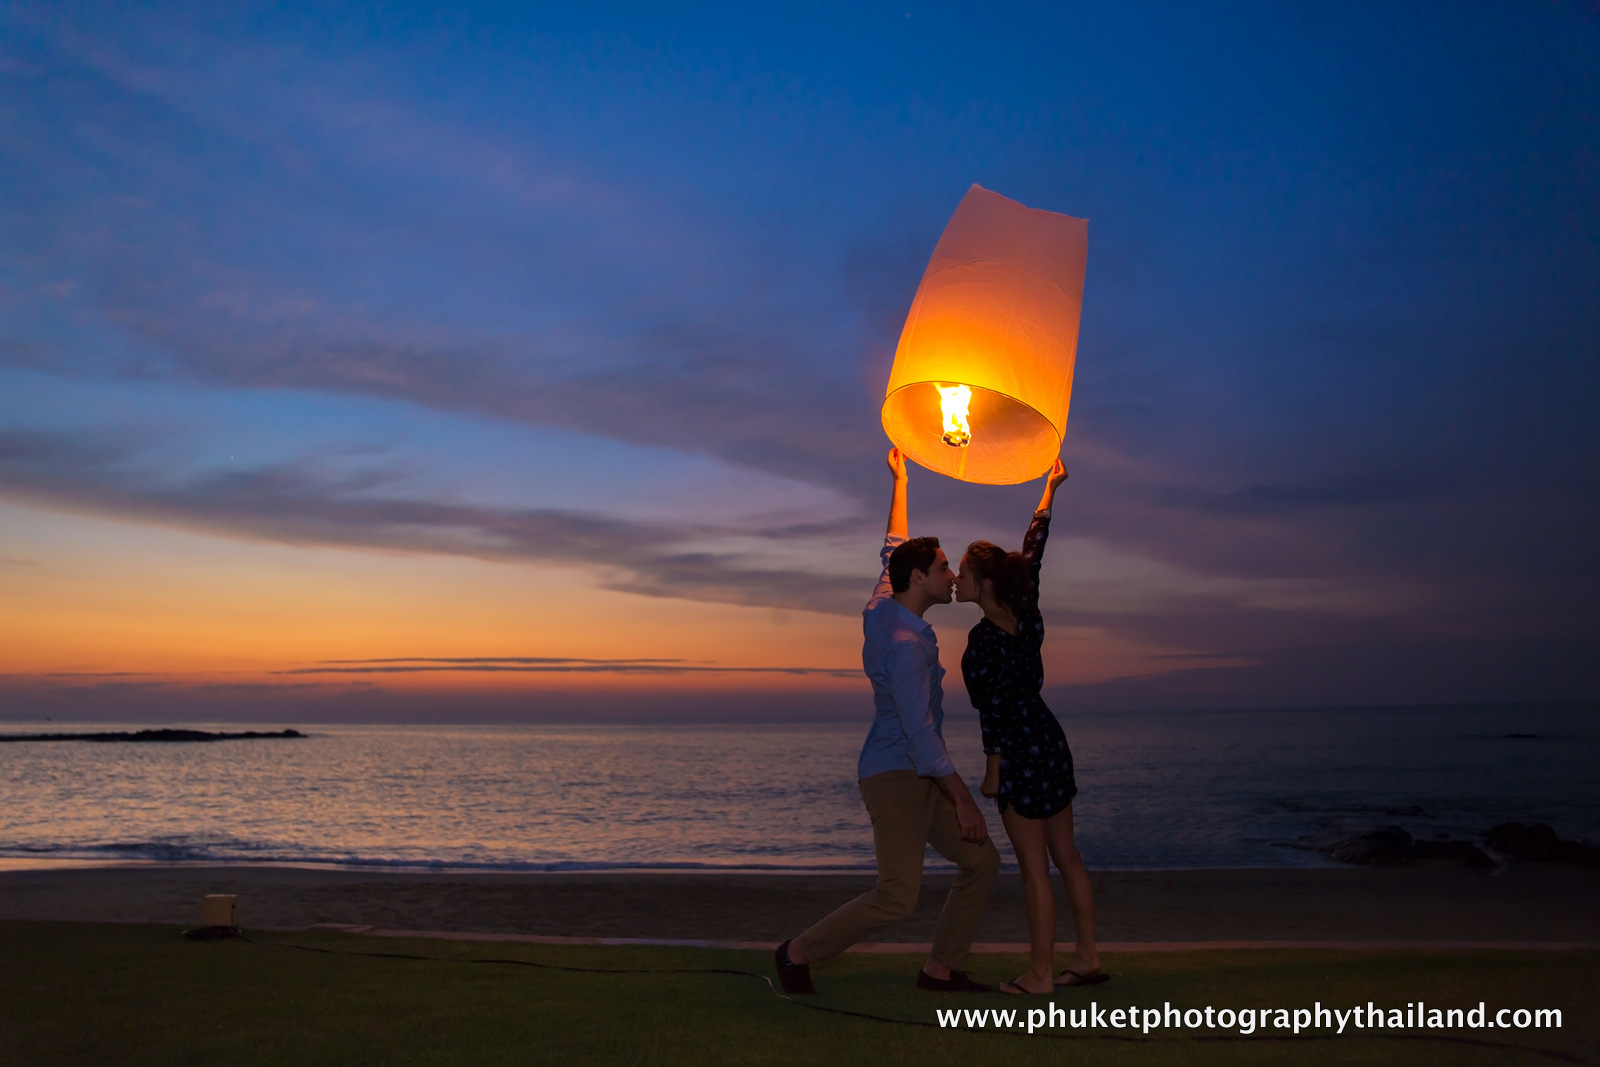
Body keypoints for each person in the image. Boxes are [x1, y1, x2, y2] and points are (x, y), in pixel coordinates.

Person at [775, 447, 1000, 996]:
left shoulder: (884, 606)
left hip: (919, 776)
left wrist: (901, 479)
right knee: (898, 895)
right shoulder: (903, 645)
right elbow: (921, 737)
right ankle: (797, 952)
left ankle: (940, 969)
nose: (952, 575)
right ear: (919, 579)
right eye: (944, 568)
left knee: (982, 862)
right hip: (897, 777)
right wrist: (964, 800)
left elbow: (893, 546)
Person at [954, 458, 1107, 995]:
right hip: (1049, 739)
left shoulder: (982, 642)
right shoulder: (1028, 611)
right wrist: (1049, 489)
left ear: (985, 584)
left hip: (1020, 752)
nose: (957, 580)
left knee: (1035, 870)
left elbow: (993, 710)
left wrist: (993, 770)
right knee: (1067, 855)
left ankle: (1041, 974)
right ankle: (1086, 956)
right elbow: (1034, 547)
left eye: (964, 574)